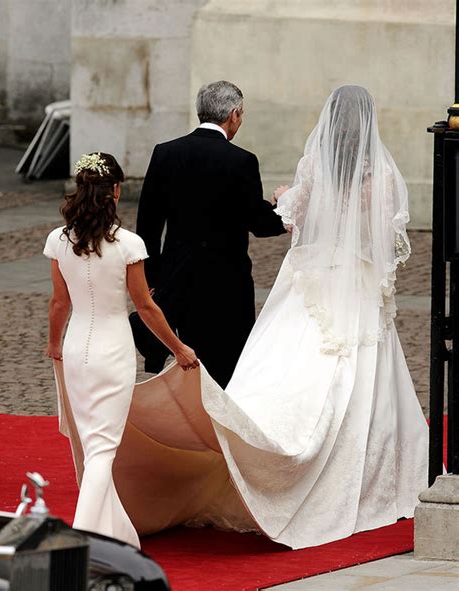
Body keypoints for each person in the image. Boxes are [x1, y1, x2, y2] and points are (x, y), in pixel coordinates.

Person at [97, 85, 426, 550]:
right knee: (351, 368)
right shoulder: (383, 178)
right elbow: (373, 240)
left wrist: (288, 198)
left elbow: (150, 219)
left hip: (262, 277)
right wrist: (282, 208)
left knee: (279, 360)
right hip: (346, 281)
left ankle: (219, 428)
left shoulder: (174, 153)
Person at [44, 152, 198, 548]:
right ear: (115, 191)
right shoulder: (129, 244)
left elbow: (59, 303)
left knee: (95, 444)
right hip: (113, 352)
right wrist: (178, 348)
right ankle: (80, 543)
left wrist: (54, 343)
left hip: (78, 347)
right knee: (102, 449)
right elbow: (145, 306)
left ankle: (117, 534)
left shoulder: (59, 241)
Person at [131, 80, 286, 387]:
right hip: (226, 281)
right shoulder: (241, 160)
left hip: (177, 276)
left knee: (186, 362)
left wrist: (151, 278)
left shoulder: (165, 153)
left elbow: (147, 223)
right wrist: (283, 206)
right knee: (227, 366)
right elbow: (260, 223)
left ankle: (188, 424)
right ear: (234, 114)